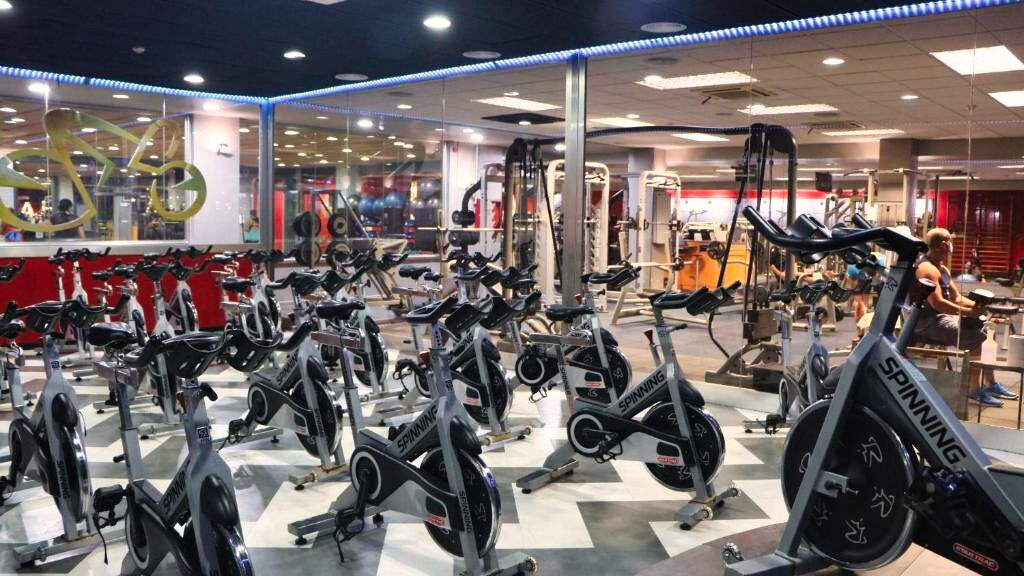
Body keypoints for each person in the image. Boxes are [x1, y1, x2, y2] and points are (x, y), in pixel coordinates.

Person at [912, 227, 1016, 406]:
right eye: (950, 243)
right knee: (977, 339)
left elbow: (956, 297)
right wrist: (968, 312)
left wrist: (978, 306)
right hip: (926, 322)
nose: (951, 247)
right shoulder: (927, 269)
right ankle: (972, 390)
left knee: (985, 331)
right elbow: (938, 304)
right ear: (943, 245)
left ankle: (990, 384)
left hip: (942, 316)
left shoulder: (942, 268)